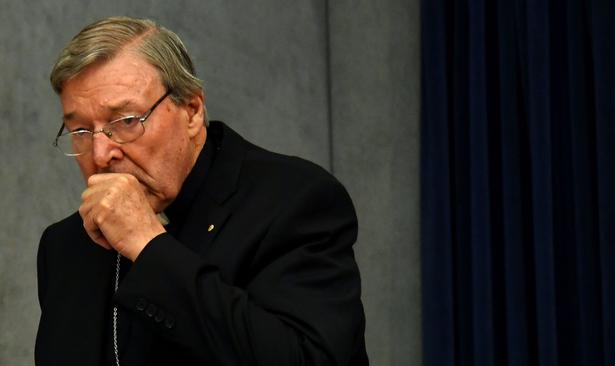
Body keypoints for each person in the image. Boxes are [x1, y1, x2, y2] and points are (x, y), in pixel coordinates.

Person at [35, 16, 368, 366]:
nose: (101, 154)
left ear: (192, 111)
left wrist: (149, 247)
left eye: (127, 121)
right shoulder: (66, 245)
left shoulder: (295, 201)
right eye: (81, 131)